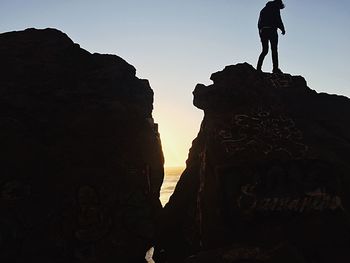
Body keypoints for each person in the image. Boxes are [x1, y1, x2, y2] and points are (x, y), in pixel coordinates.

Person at [257, 0, 286, 74]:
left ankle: (258, 68)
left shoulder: (263, 10)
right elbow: (278, 19)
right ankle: (275, 69)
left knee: (265, 50)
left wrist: (261, 32)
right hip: (272, 30)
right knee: (274, 50)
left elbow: (259, 23)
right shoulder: (275, 8)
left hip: (263, 31)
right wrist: (282, 28)